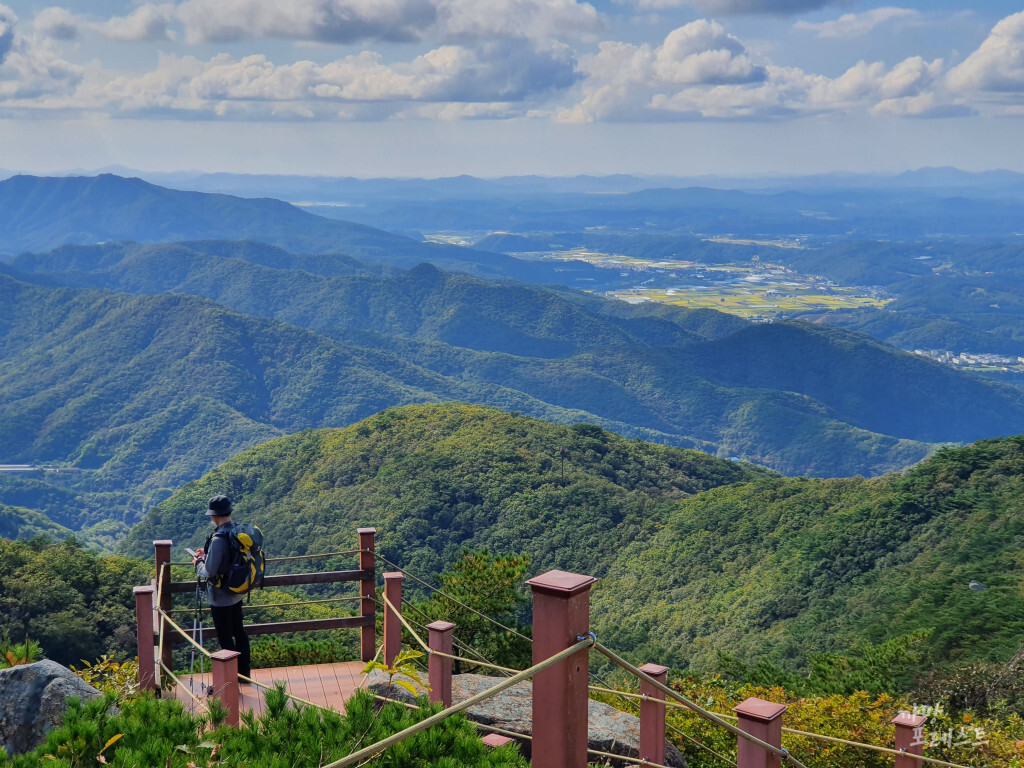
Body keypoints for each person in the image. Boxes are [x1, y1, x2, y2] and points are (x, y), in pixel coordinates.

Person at [193, 494, 251, 682]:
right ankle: (244, 675)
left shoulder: (219, 538)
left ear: (213, 516)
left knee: (225, 638)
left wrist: (198, 562)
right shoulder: (237, 532)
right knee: (239, 633)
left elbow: (209, 571)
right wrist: (208, 554)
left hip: (221, 597)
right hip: (237, 592)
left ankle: (230, 680)